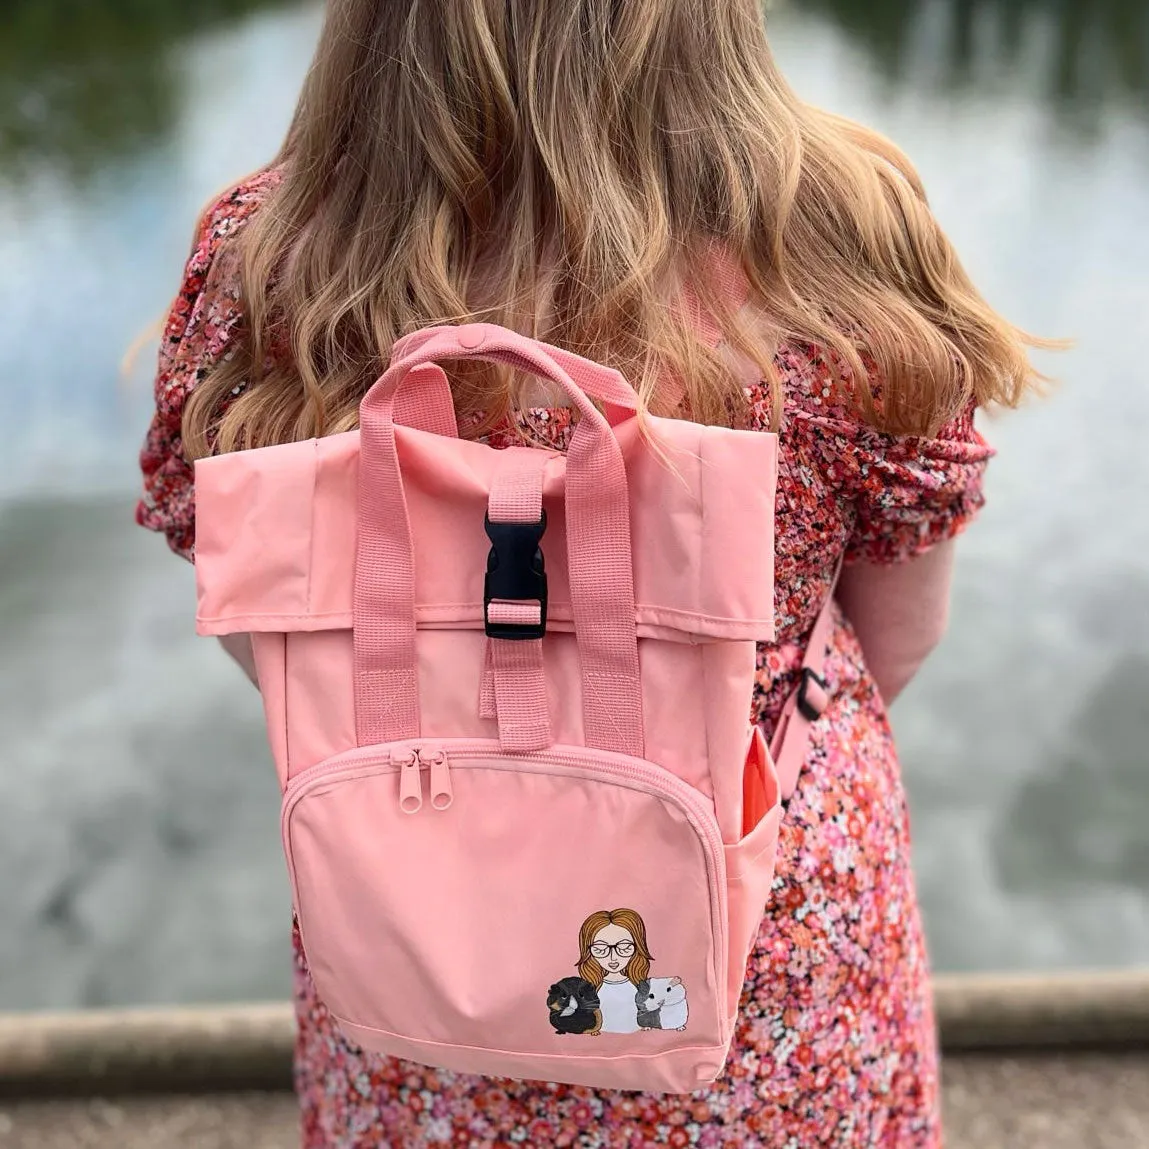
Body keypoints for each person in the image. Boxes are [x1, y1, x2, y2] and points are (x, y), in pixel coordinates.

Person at [135, 1, 1051, 1143]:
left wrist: (460, 728)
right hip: (768, 929)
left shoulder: (272, 249)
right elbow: (900, 623)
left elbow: (256, 610)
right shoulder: (837, 223)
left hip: (416, 917)